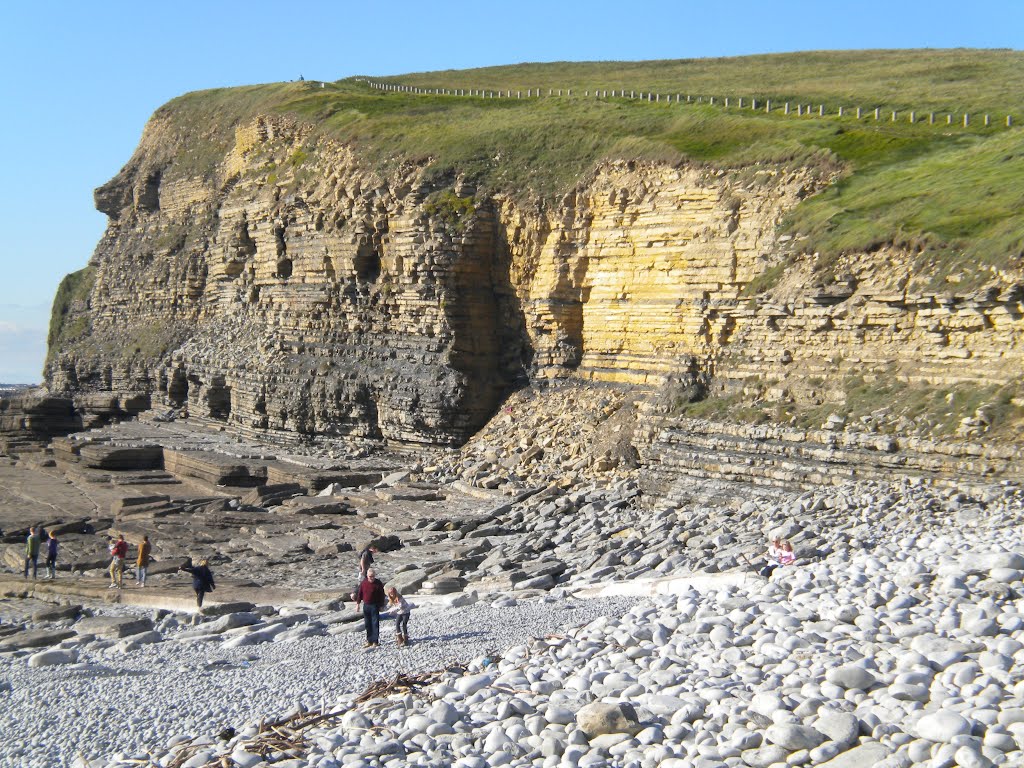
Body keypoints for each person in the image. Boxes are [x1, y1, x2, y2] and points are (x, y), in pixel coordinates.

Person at [355, 567, 387, 648]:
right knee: (367, 624)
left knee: (375, 623)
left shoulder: (378, 583)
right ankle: (369, 641)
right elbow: (360, 593)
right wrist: (358, 604)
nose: (371, 578)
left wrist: (381, 605)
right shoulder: (364, 583)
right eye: (370, 576)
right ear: (367, 576)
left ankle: (375, 641)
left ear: (375, 575)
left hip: (375, 606)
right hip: (366, 605)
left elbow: (382, 595)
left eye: (373, 576)